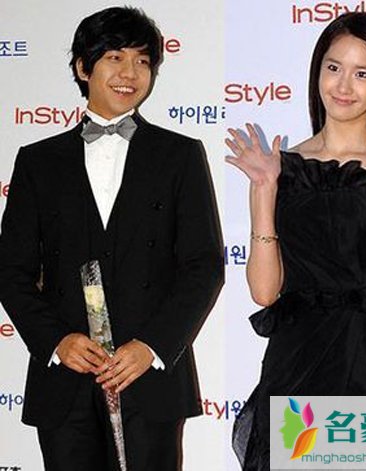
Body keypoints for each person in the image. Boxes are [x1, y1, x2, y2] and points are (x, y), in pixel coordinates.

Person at [0, 6, 223, 471]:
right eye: (115, 58)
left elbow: (203, 266)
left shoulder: (180, 155)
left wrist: (152, 346)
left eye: (142, 61)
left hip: (149, 379)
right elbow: (11, 270)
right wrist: (57, 341)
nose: (130, 74)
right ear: (84, 68)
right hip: (65, 383)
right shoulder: (38, 162)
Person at [225, 12, 366, 470]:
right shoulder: (281, 168)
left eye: (362, 74)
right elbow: (264, 292)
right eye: (333, 67)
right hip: (294, 366)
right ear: (317, 70)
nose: (343, 85)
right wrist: (264, 189)